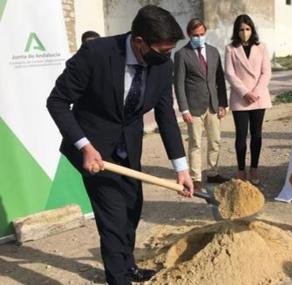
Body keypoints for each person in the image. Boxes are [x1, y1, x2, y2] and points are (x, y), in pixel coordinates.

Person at [46, 5, 194, 284]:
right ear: (139, 43)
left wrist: (181, 168)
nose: (167, 57)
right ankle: (119, 279)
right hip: (95, 153)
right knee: (113, 220)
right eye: (162, 51)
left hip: (129, 149)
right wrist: (84, 146)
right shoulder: (96, 54)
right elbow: (56, 101)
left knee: (131, 210)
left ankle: (127, 267)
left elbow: (165, 116)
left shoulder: (163, 65)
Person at [174, 18, 229, 192]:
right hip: (194, 107)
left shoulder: (213, 52)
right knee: (195, 143)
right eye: (195, 35)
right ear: (189, 35)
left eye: (202, 34)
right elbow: (179, 83)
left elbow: (219, 78)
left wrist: (223, 103)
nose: (199, 37)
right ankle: (196, 178)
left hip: (213, 105)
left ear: (205, 33)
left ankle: (213, 172)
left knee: (215, 141)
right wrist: (184, 109)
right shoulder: (182, 54)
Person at [224, 14, 272, 186]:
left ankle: (254, 168)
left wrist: (256, 92)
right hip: (240, 98)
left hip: (258, 98)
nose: (244, 32)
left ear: (252, 29)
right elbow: (229, 73)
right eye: (241, 29)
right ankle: (241, 169)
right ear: (236, 31)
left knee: (257, 134)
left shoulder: (262, 47)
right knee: (241, 135)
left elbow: (266, 72)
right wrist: (245, 92)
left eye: (247, 29)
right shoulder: (231, 49)